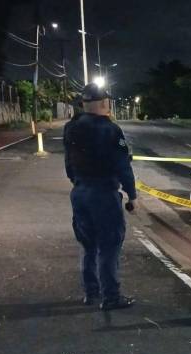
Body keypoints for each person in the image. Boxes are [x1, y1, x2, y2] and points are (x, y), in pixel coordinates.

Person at [63, 83, 137, 310]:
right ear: (105, 103)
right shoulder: (110, 129)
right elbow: (123, 165)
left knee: (88, 245)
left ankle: (91, 292)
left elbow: (68, 162)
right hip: (103, 194)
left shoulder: (71, 127)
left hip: (80, 192)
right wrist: (132, 195)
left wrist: (78, 182)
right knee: (109, 246)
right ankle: (111, 297)